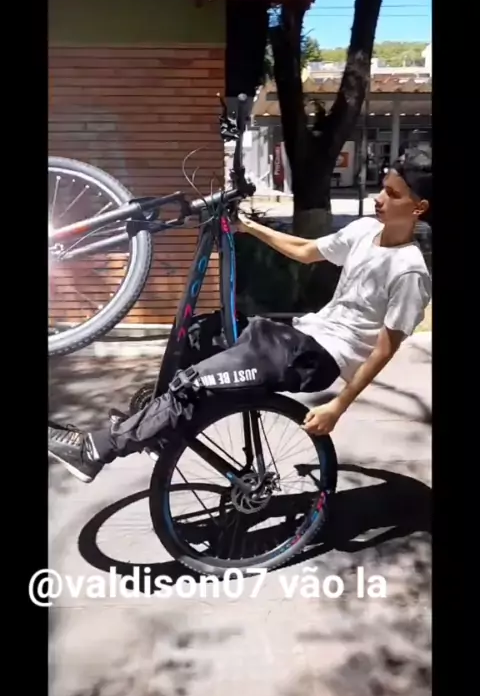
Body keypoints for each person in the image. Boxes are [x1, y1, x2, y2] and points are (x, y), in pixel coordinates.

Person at [48, 151, 432, 483]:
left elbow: (384, 350)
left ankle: (97, 450)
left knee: (195, 383)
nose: (379, 198)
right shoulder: (366, 230)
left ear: (419, 208)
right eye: (383, 188)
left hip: (318, 358)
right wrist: (247, 227)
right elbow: (306, 251)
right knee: (197, 334)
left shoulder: (410, 272)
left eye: (393, 194)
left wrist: (338, 406)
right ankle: (158, 430)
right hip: (295, 335)